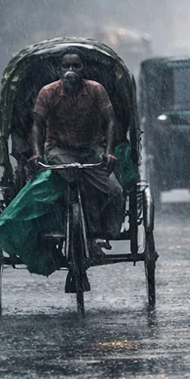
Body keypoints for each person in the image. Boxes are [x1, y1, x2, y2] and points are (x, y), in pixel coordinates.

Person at [29, 52, 124, 290]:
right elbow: (37, 125)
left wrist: (109, 151)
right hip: (60, 148)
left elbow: (110, 120)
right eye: (66, 65)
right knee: (71, 174)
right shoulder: (47, 93)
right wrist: (36, 153)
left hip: (91, 147)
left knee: (115, 190)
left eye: (76, 65)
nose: (71, 69)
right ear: (59, 70)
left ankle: (103, 232)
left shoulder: (95, 90)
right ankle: (61, 230)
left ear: (83, 69)